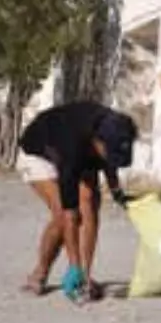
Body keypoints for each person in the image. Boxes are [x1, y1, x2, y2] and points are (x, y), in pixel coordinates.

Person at [16, 101, 138, 302]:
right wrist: (73, 264)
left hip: (81, 149)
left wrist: (117, 192)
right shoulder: (71, 149)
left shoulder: (116, 129)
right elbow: (70, 214)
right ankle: (40, 274)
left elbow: (109, 162)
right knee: (61, 216)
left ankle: (85, 278)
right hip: (38, 153)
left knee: (90, 201)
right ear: (97, 143)